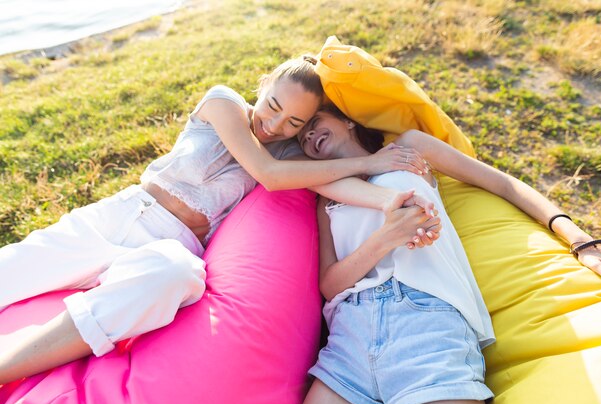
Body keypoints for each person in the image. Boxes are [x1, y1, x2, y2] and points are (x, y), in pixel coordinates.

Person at [0, 55, 429, 385]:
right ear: (262, 86)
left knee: (175, 274)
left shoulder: (289, 155)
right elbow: (269, 176)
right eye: (273, 106)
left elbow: (331, 185)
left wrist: (390, 199)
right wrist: (373, 159)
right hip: (123, 217)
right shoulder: (223, 103)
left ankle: (13, 361)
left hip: (173, 247)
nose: (274, 125)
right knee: (11, 271)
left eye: (293, 122)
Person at [295, 105, 601, 404]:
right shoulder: (326, 195)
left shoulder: (409, 148)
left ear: (347, 119)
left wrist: (580, 240)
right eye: (302, 137)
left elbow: (503, 184)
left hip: (428, 325)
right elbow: (330, 284)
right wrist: (386, 237)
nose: (309, 136)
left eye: (314, 124)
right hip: (350, 334)